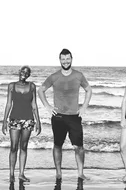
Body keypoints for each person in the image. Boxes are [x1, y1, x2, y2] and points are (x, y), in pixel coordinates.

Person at [37, 49, 92, 180]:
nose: (65, 61)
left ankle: (80, 173)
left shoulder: (78, 75)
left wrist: (84, 106)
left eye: (68, 59)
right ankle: (58, 173)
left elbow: (88, 90)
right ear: (60, 60)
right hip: (58, 116)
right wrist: (47, 106)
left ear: (71, 59)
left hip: (74, 116)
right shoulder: (54, 76)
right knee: (57, 145)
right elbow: (41, 90)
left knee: (79, 147)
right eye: (63, 59)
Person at [2, 66, 42, 182]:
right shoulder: (11, 86)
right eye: (22, 71)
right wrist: (4, 121)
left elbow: (34, 105)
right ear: (19, 72)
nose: (24, 73)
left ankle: (21, 174)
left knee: (23, 147)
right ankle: (11, 174)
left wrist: (38, 121)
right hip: (14, 119)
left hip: (28, 120)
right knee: (13, 147)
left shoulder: (32, 86)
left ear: (28, 75)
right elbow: (8, 104)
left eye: (27, 72)